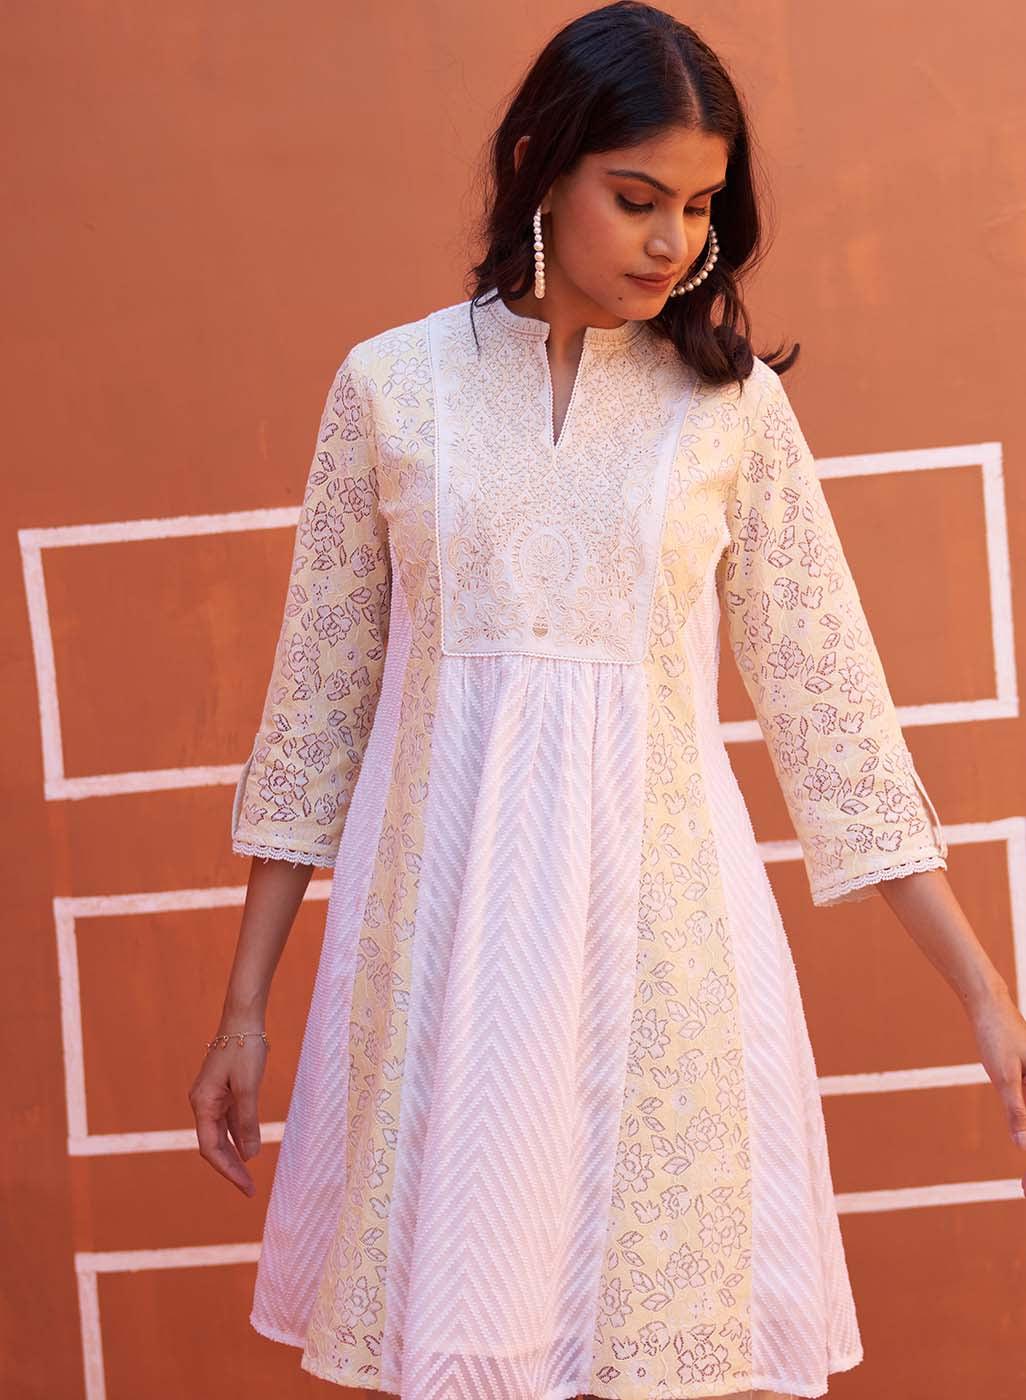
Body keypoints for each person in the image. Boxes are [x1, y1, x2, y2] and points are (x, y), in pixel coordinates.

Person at [188, 4, 1026, 1398]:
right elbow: (314, 713)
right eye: (637, 200)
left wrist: (988, 1001)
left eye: (698, 208)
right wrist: (243, 1010)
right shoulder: (391, 391)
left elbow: (835, 720)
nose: (672, 242)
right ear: (539, 164)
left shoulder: (729, 410)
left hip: (665, 952)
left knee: (666, 1350)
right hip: (441, 948)